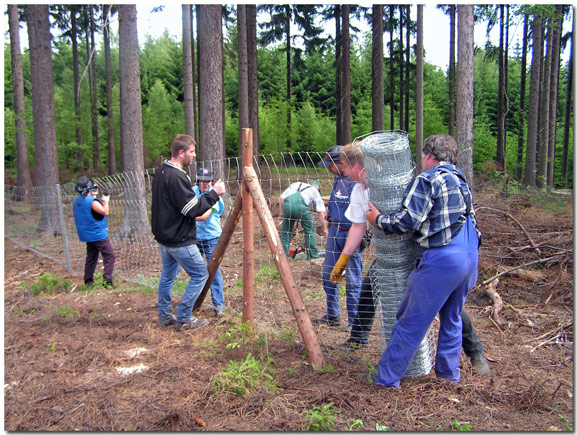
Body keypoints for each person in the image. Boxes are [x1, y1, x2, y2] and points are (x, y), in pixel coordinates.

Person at [334, 139, 490, 378]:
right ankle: (449, 375)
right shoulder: (460, 179)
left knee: (412, 320)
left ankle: (387, 378)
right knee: (451, 315)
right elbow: (357, 227)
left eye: (343, 167)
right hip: (468, 255)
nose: (342, 173)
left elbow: (407, 221)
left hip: (437, 257)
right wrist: (343, 261)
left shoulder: (420, 180)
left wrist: (379, 221)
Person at [151, 134, 226, 331]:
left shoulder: (162, 171)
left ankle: (165, 316)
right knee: (201, 274)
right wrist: (214, 193)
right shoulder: (177, 176)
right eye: (191, 152)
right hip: (178, 239)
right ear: (181, 152)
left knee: (167, 276)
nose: (194, 156)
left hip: (164, 237)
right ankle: (184, 317)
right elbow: (191, 209)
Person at [314, 145, 363, 329]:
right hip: (335, 233)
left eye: (330, 164)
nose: (328, 168)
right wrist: (330, 212)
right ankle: (333, 314)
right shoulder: (337, 179)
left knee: (352, 280)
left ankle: (354, 322)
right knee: (331, 275)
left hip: (350, 235)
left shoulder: (357, 180)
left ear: (341, 163)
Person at [193, 167, 226, 317]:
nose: (205, 184)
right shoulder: (192, 191)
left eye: (207, 181)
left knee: (214, 272)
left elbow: (206, 215)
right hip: (194, 237)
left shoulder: (215, 194)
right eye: (202, 181)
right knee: (195, 271)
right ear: (198, 181)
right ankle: (194, 303)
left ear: (211, 182)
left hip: (212, 238)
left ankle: (218, 305)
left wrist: (186, 218)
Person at [73, 176, 115, 288]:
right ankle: (107, 282)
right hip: (97, 233)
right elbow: (105, 212)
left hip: (86, 233)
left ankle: (88, 281)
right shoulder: (91, 201)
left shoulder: (77, 200)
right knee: (109, 255)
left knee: (91, 256)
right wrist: (105, 200)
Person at [279, 180, 328, 260]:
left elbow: (281, 198)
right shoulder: (314, 190)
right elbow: (321, 212)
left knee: (286, 232)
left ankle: (283, 257)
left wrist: (282, 212)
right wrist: (325, 229)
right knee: (310, 230)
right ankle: (312, 255)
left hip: (287, 205)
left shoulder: (295, 184)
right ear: (317, 188)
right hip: (301, 207)